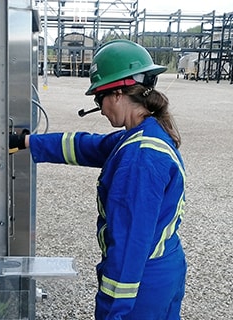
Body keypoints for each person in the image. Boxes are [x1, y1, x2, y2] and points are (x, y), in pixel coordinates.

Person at [10, 39, 187, 320]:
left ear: (117, 93)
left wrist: (111, 311)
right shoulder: (144, 133)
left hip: (142, 283)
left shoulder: (139, 160)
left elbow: (129, 247)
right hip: (164, 267)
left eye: (98, 99)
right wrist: (27, 141)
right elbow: (85, 146)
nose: (101, 109)